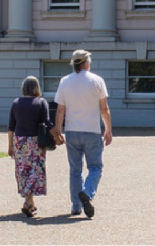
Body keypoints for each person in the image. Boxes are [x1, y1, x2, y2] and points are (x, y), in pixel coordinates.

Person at [52, 49, 112, 218]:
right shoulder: (97, 81)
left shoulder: (65, 81)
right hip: (92, 130)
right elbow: (104, 109)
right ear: (87, 63)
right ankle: (87, 191)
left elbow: (60, 110)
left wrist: (58, 131)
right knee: (95, 167)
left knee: (75, 169)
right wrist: (108, 129)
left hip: (72, 130)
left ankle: (76, 205)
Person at [8, 75, 52, 218]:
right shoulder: (41, 102)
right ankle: (28, 201)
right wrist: (57, 136)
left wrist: (10, 145)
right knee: (36, 169)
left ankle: (29, 200)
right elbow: (47, 122)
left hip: (19, 140)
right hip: (35, 141)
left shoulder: (16, 103)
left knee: (23, 170)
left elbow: (11, 127)